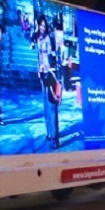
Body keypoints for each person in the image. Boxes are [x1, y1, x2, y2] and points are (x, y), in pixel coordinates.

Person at [34, 15, 61, 148]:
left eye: (44, 26)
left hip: (50, 74)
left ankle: (55, 138)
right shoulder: (37, 39)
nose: (42, 28)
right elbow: (37, 56)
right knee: (45, 105)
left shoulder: (49, 39)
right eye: (41, 25)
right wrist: (38, 68)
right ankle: (49, 133)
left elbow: (52, 57)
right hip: (42, 75)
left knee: (52, 106)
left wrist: (47, 66)